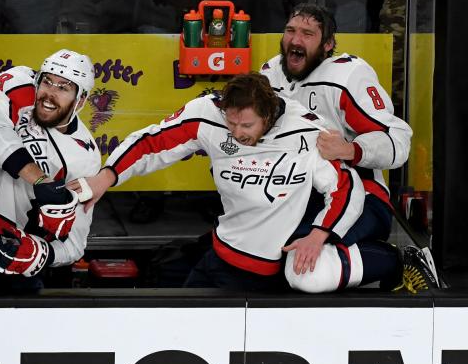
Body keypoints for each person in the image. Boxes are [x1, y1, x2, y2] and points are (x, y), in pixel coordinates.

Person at [76, 73, 416, 293]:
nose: (237, 132)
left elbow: (346, 189)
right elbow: (152, 142)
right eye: (232, 122)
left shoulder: (309, 131)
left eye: (247, 126)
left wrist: (318, 235)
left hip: (269, 277)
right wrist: (107, 176)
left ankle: (389, 260)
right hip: (219, 257)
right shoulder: (207, 115)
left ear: (267, 116)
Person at [260, 3, 437, 290]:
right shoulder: (269, 74)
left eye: (307, 34)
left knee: (304, 271)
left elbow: (398, 140)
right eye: (291, 31)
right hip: (297, 194)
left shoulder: (347, 76)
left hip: (360, 195)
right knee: (259, 257)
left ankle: (398, 260)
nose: (295, 40)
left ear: (328, 44)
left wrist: (350, 149)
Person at [0, 49, 100, 292]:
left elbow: (74, 244)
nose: (49, 94)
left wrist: (39, 253)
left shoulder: (85, 157)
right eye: (47, 81)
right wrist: (39, 178)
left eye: (63, 88)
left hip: (9, 243)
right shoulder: (15, 83)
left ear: (81, 99)